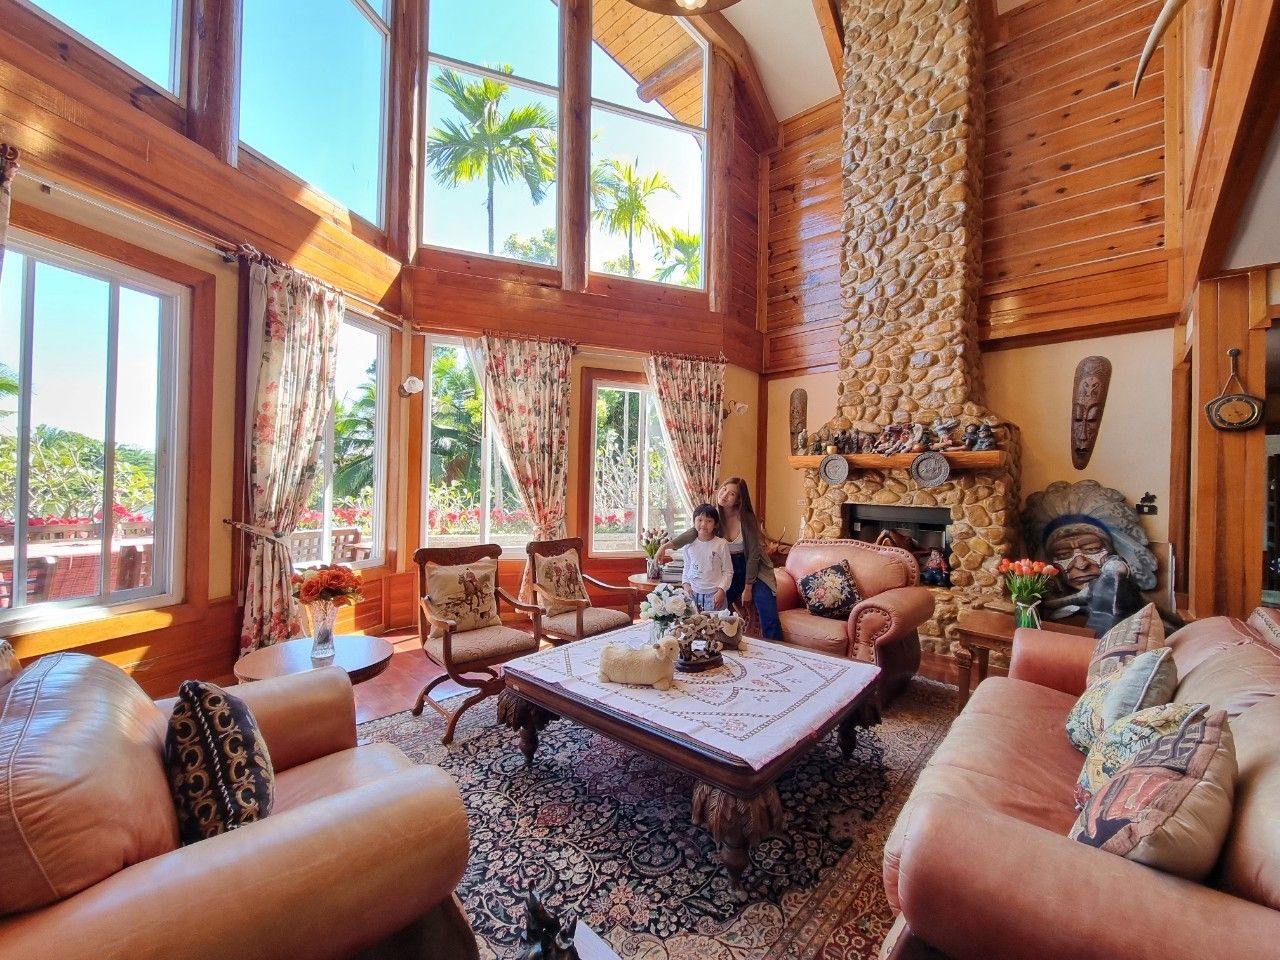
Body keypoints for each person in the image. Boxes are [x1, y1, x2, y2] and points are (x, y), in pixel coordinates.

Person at [659, 477, 781, 641]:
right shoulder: (712, 515)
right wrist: (665, 546)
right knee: (709, 612)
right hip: (726, 569)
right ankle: (708, 645)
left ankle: (776, 648)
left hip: (753, 570)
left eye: (731, 494)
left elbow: (753, 555)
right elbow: (694, 532)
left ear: (738, 500)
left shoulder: (747, 518)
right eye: (724, 489)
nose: (724, 495)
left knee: (767, 608)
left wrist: (748, 588)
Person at [681, 504, 731, 612]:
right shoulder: (689, 545)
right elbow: (687, 567)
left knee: (717, 627)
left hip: (715, 595)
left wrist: (722, 590)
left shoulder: (721, 544)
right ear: (694, 521)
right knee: (693, 627)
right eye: (699, 520)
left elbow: (728, 571)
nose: (703, 524)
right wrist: (685, 584)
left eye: (709, 521)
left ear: (715, 524)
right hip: (693, 594)